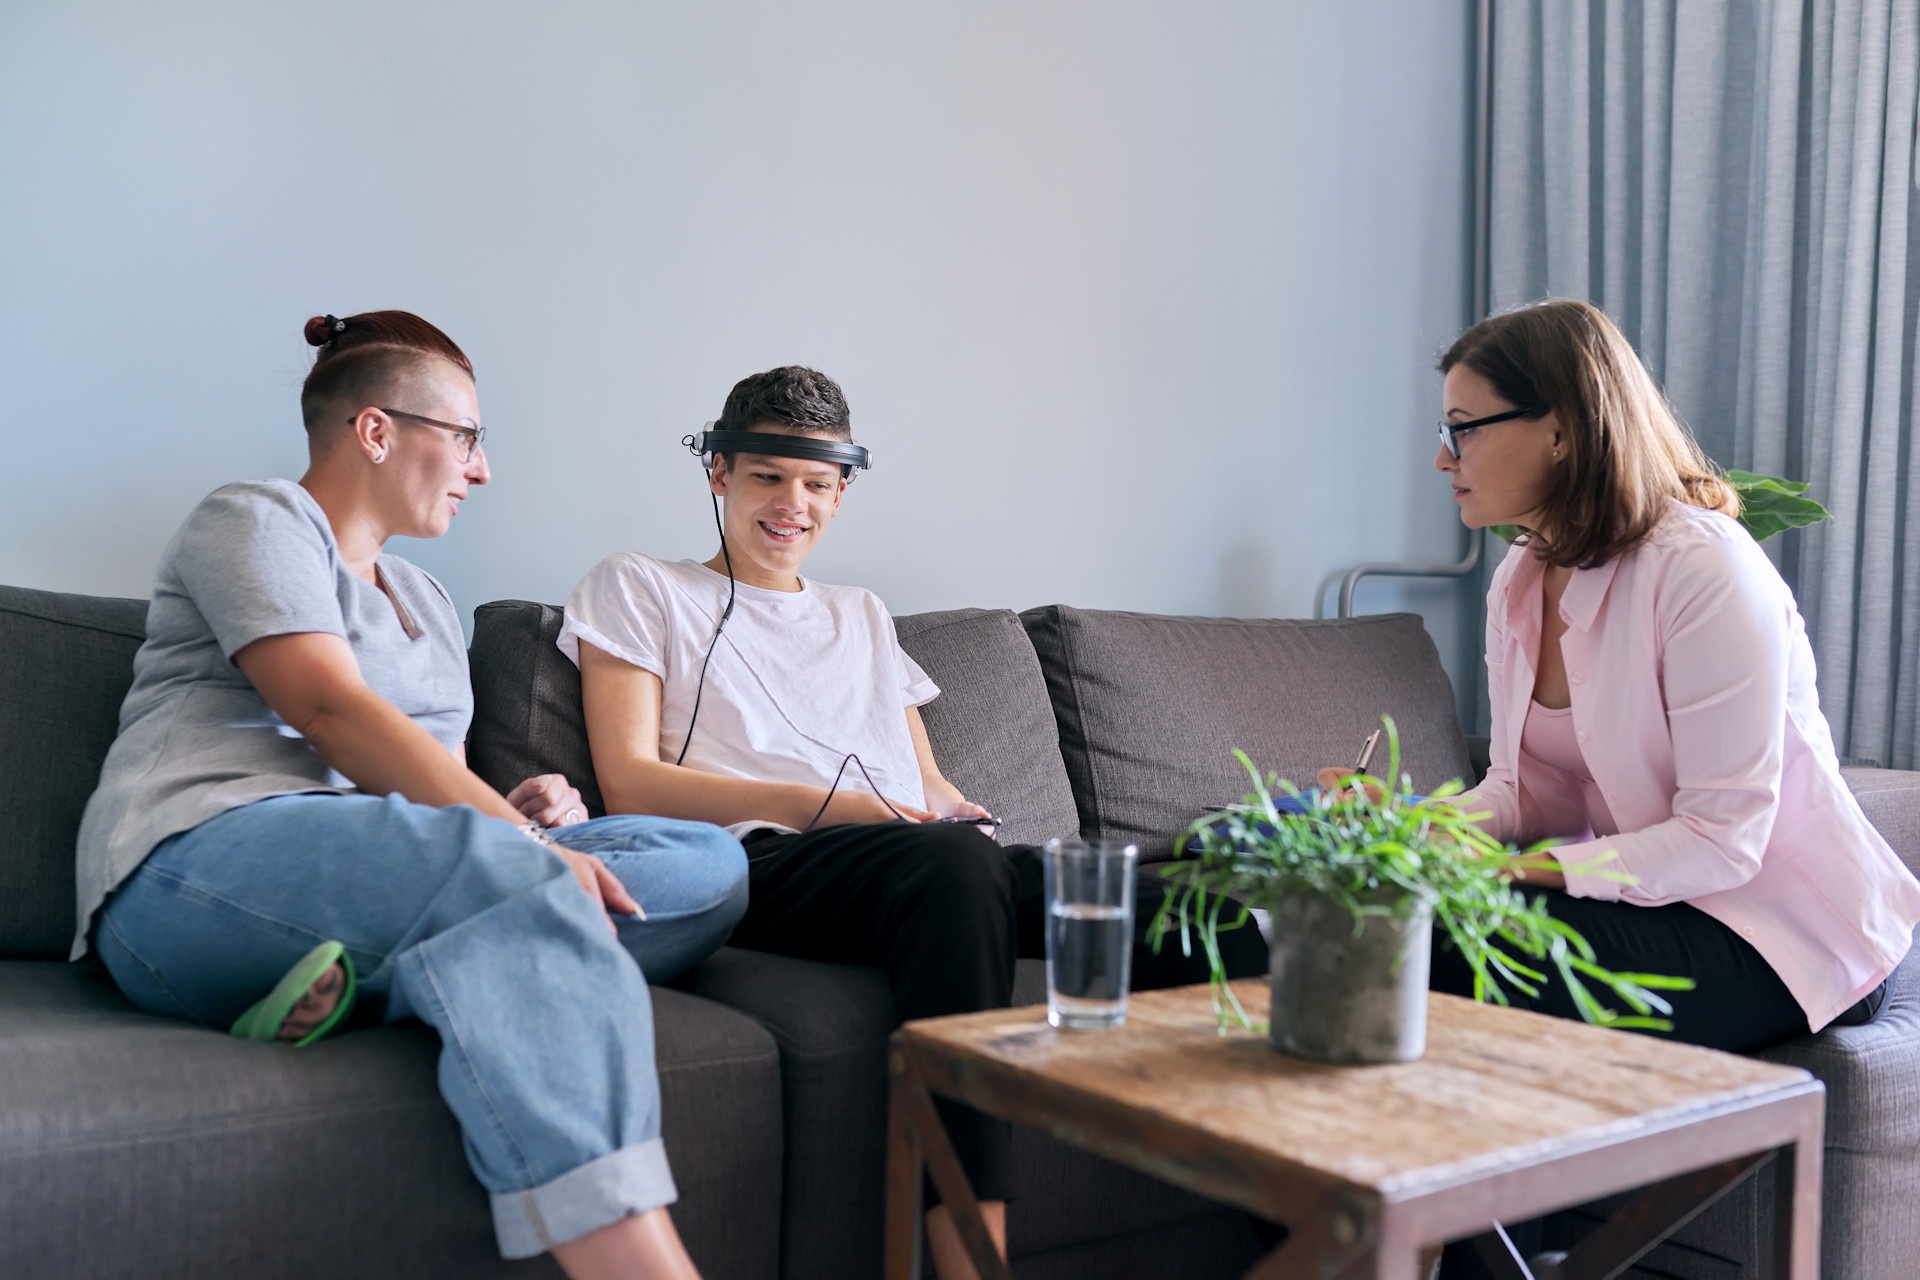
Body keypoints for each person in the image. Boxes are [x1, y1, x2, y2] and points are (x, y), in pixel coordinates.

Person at [74, 310, 748, 1280]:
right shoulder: (255, 519)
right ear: (377, 430)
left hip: (379, 873)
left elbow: (433, 796)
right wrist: (517, 841)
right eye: (468, 437)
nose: (483, 469)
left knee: (709, 862)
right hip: (195, 863)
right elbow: (329, 707)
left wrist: (527, 809)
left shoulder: (429, 601)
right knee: (518, 878)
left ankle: (362, 983)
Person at [558, 365, 1268, 1279]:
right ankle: (970, 1258)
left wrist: (956, 810)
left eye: (817, 484)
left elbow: (926, 779)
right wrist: (835, 809)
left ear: (842, 492)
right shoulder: (639, 585)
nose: (792, 505)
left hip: (917, 857)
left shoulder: (862, 613)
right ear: (719, 474)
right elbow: (632, 787)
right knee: (951, 869)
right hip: (766, 862)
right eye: (768, 476)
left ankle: (1309, 1238)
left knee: (1196, 901)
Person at [1321, 298, 1920, 1058]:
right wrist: (1416, 826)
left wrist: (1511, 869)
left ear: (1562, 429)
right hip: (1662, 900)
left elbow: (1722, 843)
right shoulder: (1520, 578)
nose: (1444, 458)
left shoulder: (1705, 570)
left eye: (1462, 429)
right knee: (1345, 907)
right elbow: (1525, 789)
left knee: (1442, 947)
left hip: (1782, 930)